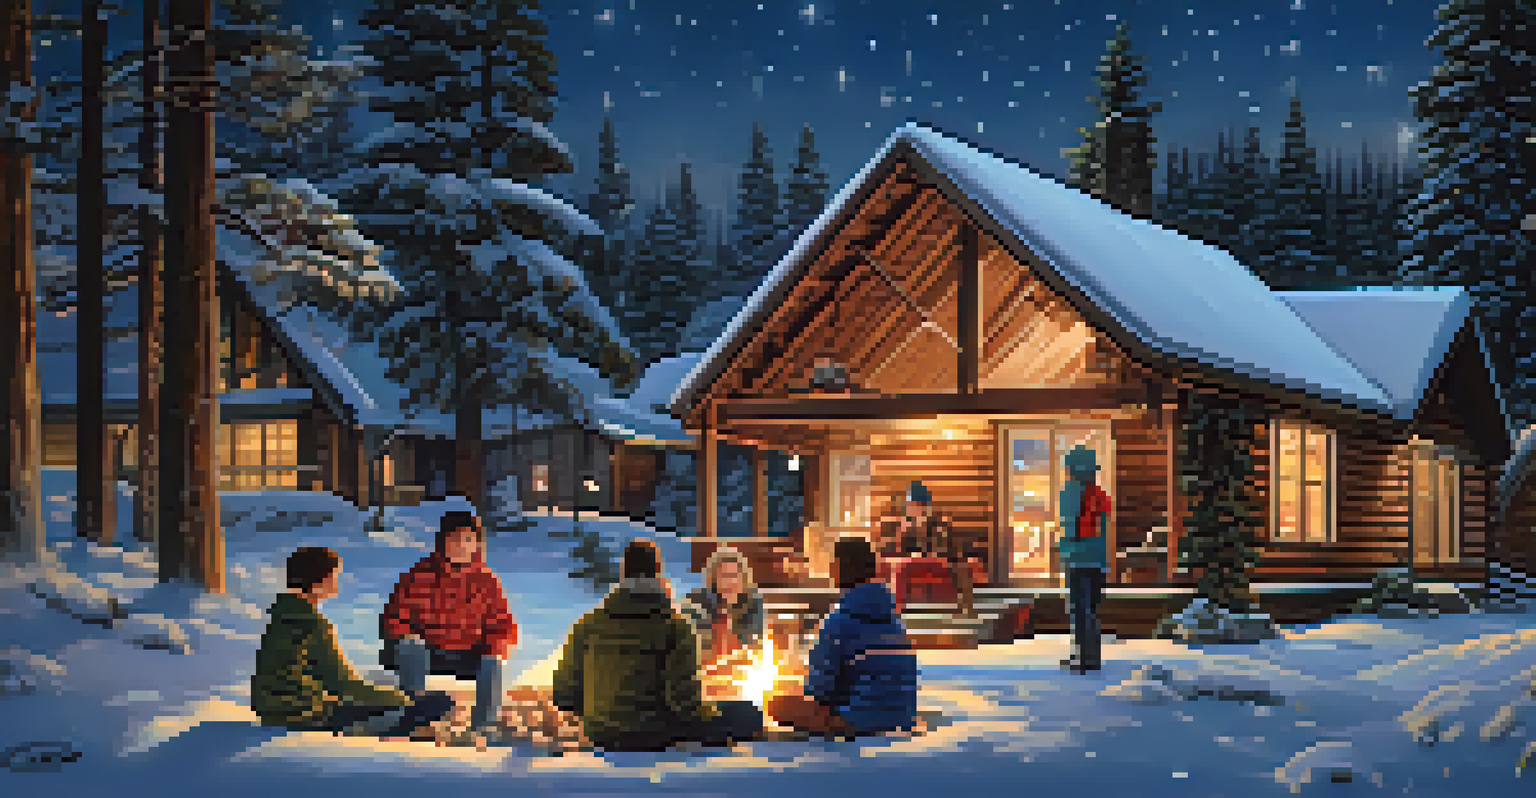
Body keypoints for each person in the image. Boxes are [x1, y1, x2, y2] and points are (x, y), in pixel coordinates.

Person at [551, 538, 763, 752]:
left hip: (600, 732)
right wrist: (710, 715)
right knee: (746, 712)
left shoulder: (586, 625)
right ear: (658, 575)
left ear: (623, 574)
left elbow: (563, 695)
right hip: (657, 732)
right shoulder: (675, 627)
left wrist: (599, 712)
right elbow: (683, 702)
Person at [252, 546, 455, 739]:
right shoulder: (312, 623)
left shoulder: (280, 619)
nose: (336, 583)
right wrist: (403, 699)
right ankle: (386, 734)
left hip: (278, 712)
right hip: (307, 715)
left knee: (395, 705)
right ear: (318, 581)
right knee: (437, 703)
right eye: (334, 577)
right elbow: (344, 685)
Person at [766, 537, 918, 737]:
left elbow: (819, 691)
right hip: (902, 717)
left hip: (857, 721)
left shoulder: (839, 621)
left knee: (777, 704)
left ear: (837, 567)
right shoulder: (895, 621)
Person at [379, 511, 517, 731]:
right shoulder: (418, 575)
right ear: (443, 541)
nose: (461, 546)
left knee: (495, 661)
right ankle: (416, 710)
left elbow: (503, 625)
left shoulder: (487, 580)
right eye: (455, 539)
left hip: (469, 654)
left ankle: (484, 727)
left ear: (477, 544)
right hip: (426, 652)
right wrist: (406, 635)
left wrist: (495, 649)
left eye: (468, 540)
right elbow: (394, 616)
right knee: (409, 645)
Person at [879, 480, 976, 618]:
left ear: (923, 505)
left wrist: (923, 554)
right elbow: (900, 549)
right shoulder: (907, 525)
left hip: (936, 562)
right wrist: (903, 534)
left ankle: (896, 609)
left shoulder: (937, 524)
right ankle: (888, 608)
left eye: (914, 505)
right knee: (892, 564)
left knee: (902, 566)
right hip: (915, 562)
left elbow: (942, 550)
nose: (911, 508)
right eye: (910, 505)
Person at [1056, 446, 1111, 673]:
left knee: (1079, 609)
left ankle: (1082, 657)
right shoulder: (1100, 495)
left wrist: (1062, 550)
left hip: (1077, 559)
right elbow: (1105, 530)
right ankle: (1092, 656)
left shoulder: (1069, 493)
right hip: (1097, 561)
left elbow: (1069, 527)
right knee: (1091, 609)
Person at [680, 546, 765, 665]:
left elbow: (756, 644)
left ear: (743, 578)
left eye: (734, 575)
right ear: (713, 580)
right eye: (723, 576)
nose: (729, 582)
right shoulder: (696, 604)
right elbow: (694, 647)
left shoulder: (753, 603)